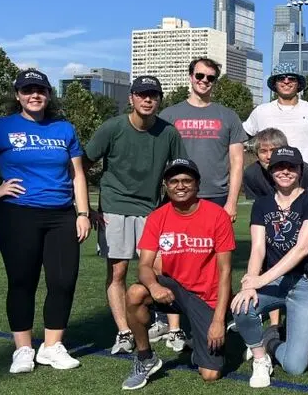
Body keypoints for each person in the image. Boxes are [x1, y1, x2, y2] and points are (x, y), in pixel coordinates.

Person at [0, 69, 90, 373]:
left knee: (63, 281)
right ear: (17, 95)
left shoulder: (64, 128)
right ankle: (23, 349)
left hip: (62, 214)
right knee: (23, 281)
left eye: (40, 90)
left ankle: (52, 347)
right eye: (27, 90)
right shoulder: (0, 128)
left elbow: (78, 174)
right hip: (17, 214)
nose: (34, 95)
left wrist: (83, 213)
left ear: (49, 94)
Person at [83, 75, 187, 355]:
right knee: (118, 272)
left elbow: (181, 172)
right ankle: (124, 332)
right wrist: (84, 208)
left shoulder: (169, 132)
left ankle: (172, 327)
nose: (147, 99)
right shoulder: (112, 128)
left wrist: (173, 209)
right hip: (115, 208)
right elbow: (80, 165)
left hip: (152, 211)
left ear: (159, 99)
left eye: (153, 94)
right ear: (131, 98)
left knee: (161, 269)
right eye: (142, 94)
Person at [152, 57, 245, 351]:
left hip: (215, 197)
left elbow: (237, 161)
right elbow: (160, 157)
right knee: (171, 261)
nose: (204, 81)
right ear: (190, 76)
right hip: (177, 198)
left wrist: (231, 201)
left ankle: (217, 316)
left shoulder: (228, 116)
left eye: (210, 78)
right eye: (200, 76)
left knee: (215, 266)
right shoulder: (169, 114)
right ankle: (175, 327)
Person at [120, 159, 234, 390]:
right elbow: (144, 266)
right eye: (174, 181)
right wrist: (154, 287)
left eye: (186, 180)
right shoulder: (157, 217)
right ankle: (145, 358)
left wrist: (219, 321)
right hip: (173, 289)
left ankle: (200, 344)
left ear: (197, 184)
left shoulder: (217, 215)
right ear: (166, 185)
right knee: (134, 293)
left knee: (210, 374)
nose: (180, 186)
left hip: (206, 297)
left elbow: (225, 271)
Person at [231, 146, 308, 387]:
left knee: (295, 367)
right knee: (242, 306)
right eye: (278, 167)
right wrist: (250, 281)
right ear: (270, 171)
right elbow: (257, 249)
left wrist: (260, 280)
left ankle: (270, 340)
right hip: (276, 281)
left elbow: (302, 249)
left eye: (291, 167)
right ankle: (259, 357)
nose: (284, 171)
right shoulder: (262, 204)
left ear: (300, 170)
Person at [244, 62, 308, 188]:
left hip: (306, 183)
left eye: (291, 78)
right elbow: (237, 138)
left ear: (298, 84)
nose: (286, 81)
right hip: (270, 185)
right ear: (275, 84)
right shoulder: (260, 111)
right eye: (281, 78)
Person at [242, 128, 308, 199]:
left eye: (273, 150)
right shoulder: (250, 174)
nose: (269, 156)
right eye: (263, 151)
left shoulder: (304, 170)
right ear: (257, 154)